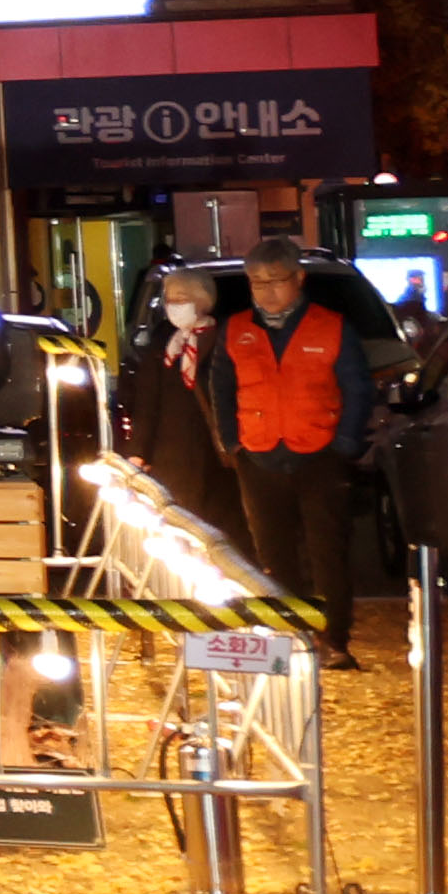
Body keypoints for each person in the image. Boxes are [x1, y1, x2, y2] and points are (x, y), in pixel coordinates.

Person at [200, 235, 384, 655]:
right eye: (257, 282)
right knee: (272, 553)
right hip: (259, 453)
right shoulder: (237, 329)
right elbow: (221, 389)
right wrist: (232, 441)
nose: (266, 291)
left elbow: (357, 388)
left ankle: (333, 638)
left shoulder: (331, 326)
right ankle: (287, 636)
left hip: (320, 453)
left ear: (299, 279)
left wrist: (344, 443)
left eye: (276, 280)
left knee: (327, 551)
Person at [115, 257, 246, 545]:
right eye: (170, 298)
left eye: (182, 297)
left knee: (223, 533)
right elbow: (147, 404)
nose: (174, 305)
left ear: (203, 299)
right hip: (172, 456)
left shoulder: (229, 337)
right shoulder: (164, 342)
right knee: (178, 530)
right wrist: (138, 452)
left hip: (216, 457)